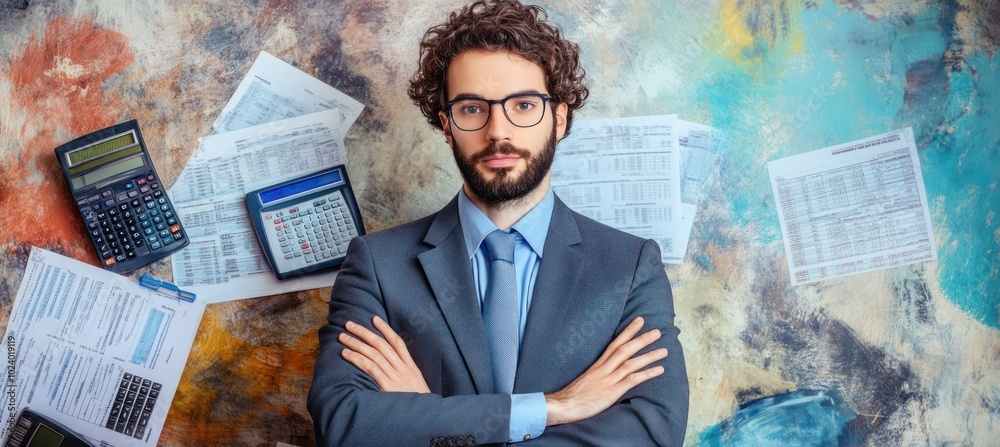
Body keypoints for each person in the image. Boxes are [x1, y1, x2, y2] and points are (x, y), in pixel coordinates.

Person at [307, 1, 688, 445]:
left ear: (559, 118)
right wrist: (553, 407)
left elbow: (652, 433)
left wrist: (432, 419)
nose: (498, 132)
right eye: (472, 109)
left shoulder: (629, 268)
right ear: (447, 125)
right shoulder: (378, 265)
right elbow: (346, 426)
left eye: (524, 105)